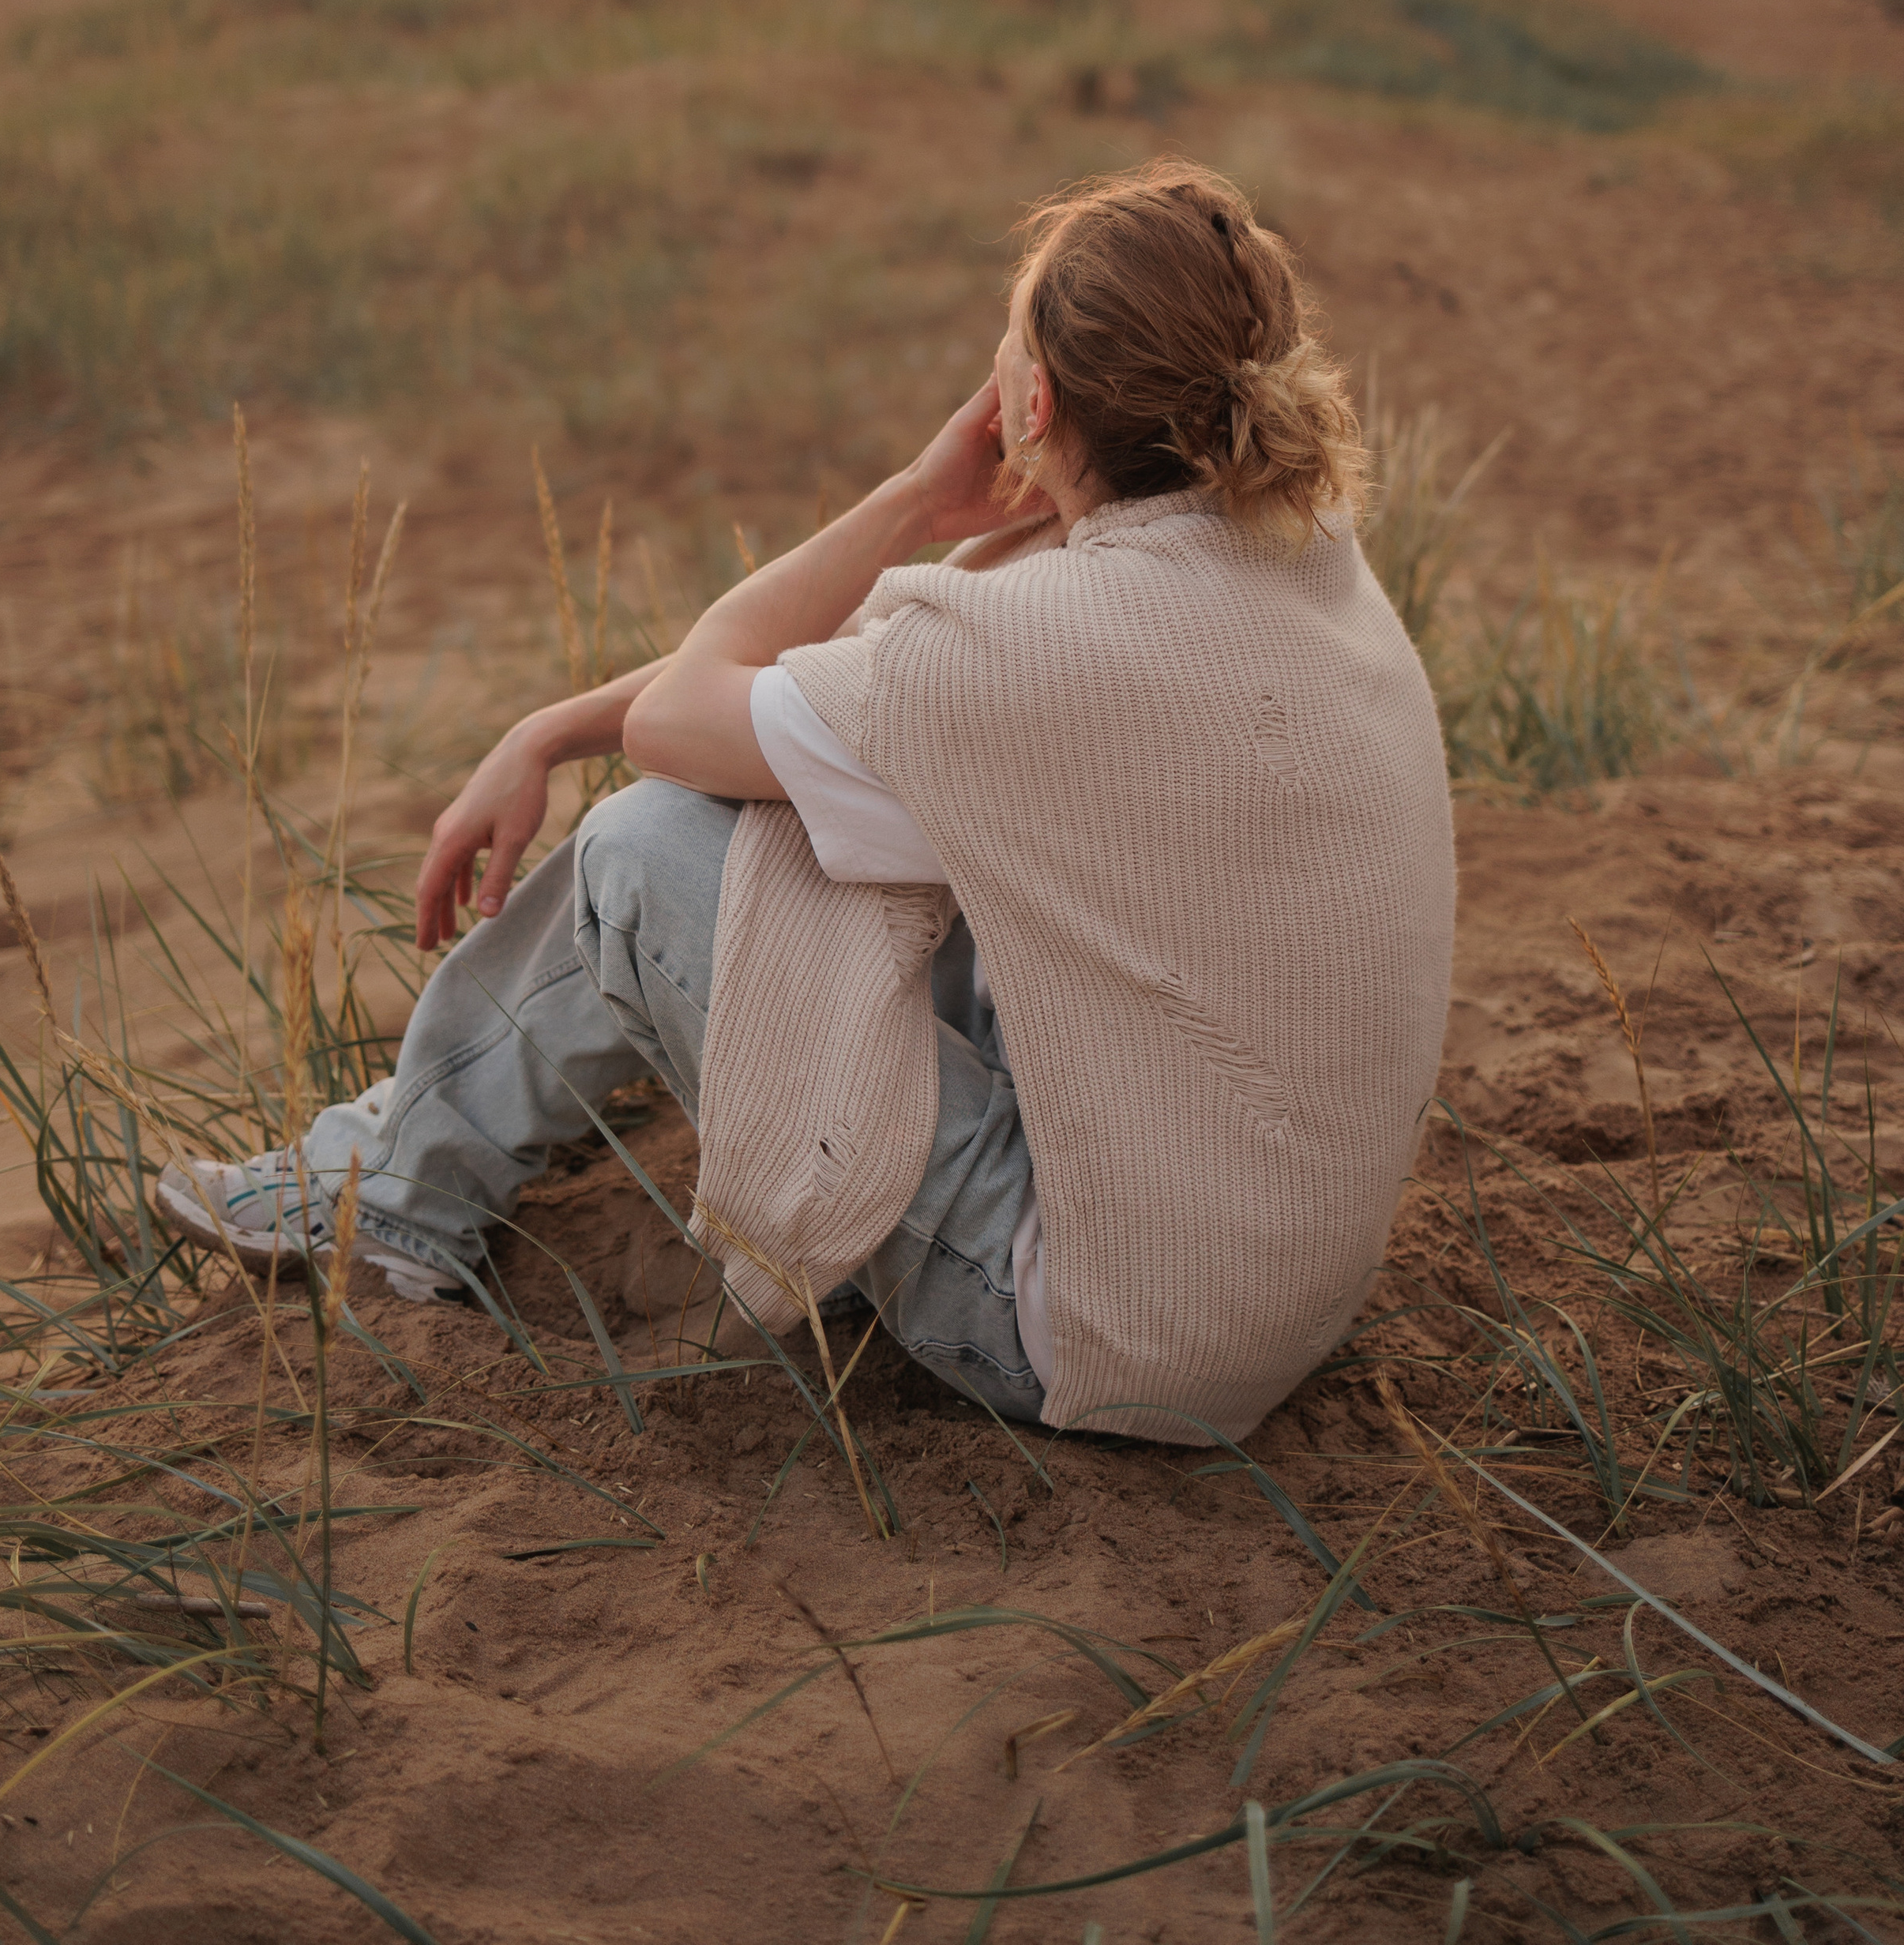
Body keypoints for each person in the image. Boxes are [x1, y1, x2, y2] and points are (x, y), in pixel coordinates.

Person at [158, 162, 1455, 1442]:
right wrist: (552, 726)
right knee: (801, 821)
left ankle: (391, 1192)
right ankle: (399, 1168)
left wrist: (908, 501)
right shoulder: (1297, 554)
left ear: (1032, 401)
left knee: (643, 845)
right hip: (1258, 1293)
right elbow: (868, 698)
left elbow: (682, 732)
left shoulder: (1047, 649)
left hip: (1111, 1332)